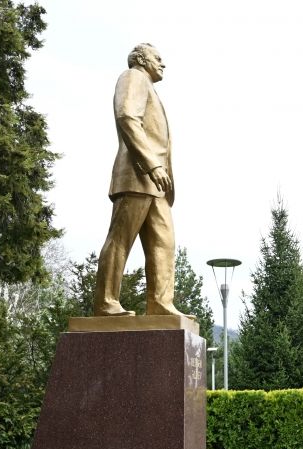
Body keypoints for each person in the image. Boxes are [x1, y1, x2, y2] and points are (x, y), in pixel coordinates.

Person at [93, 43, 187, 318]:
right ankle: (106, 302)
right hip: (138, 174)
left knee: (164, 242)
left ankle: (160, 303)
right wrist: (152, 164)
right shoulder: (133, 77)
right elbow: (127, 117)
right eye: (158, 58)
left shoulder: (148, 86)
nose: (163, 63)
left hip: (156, 183)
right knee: (121, 239)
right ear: (142, 59)